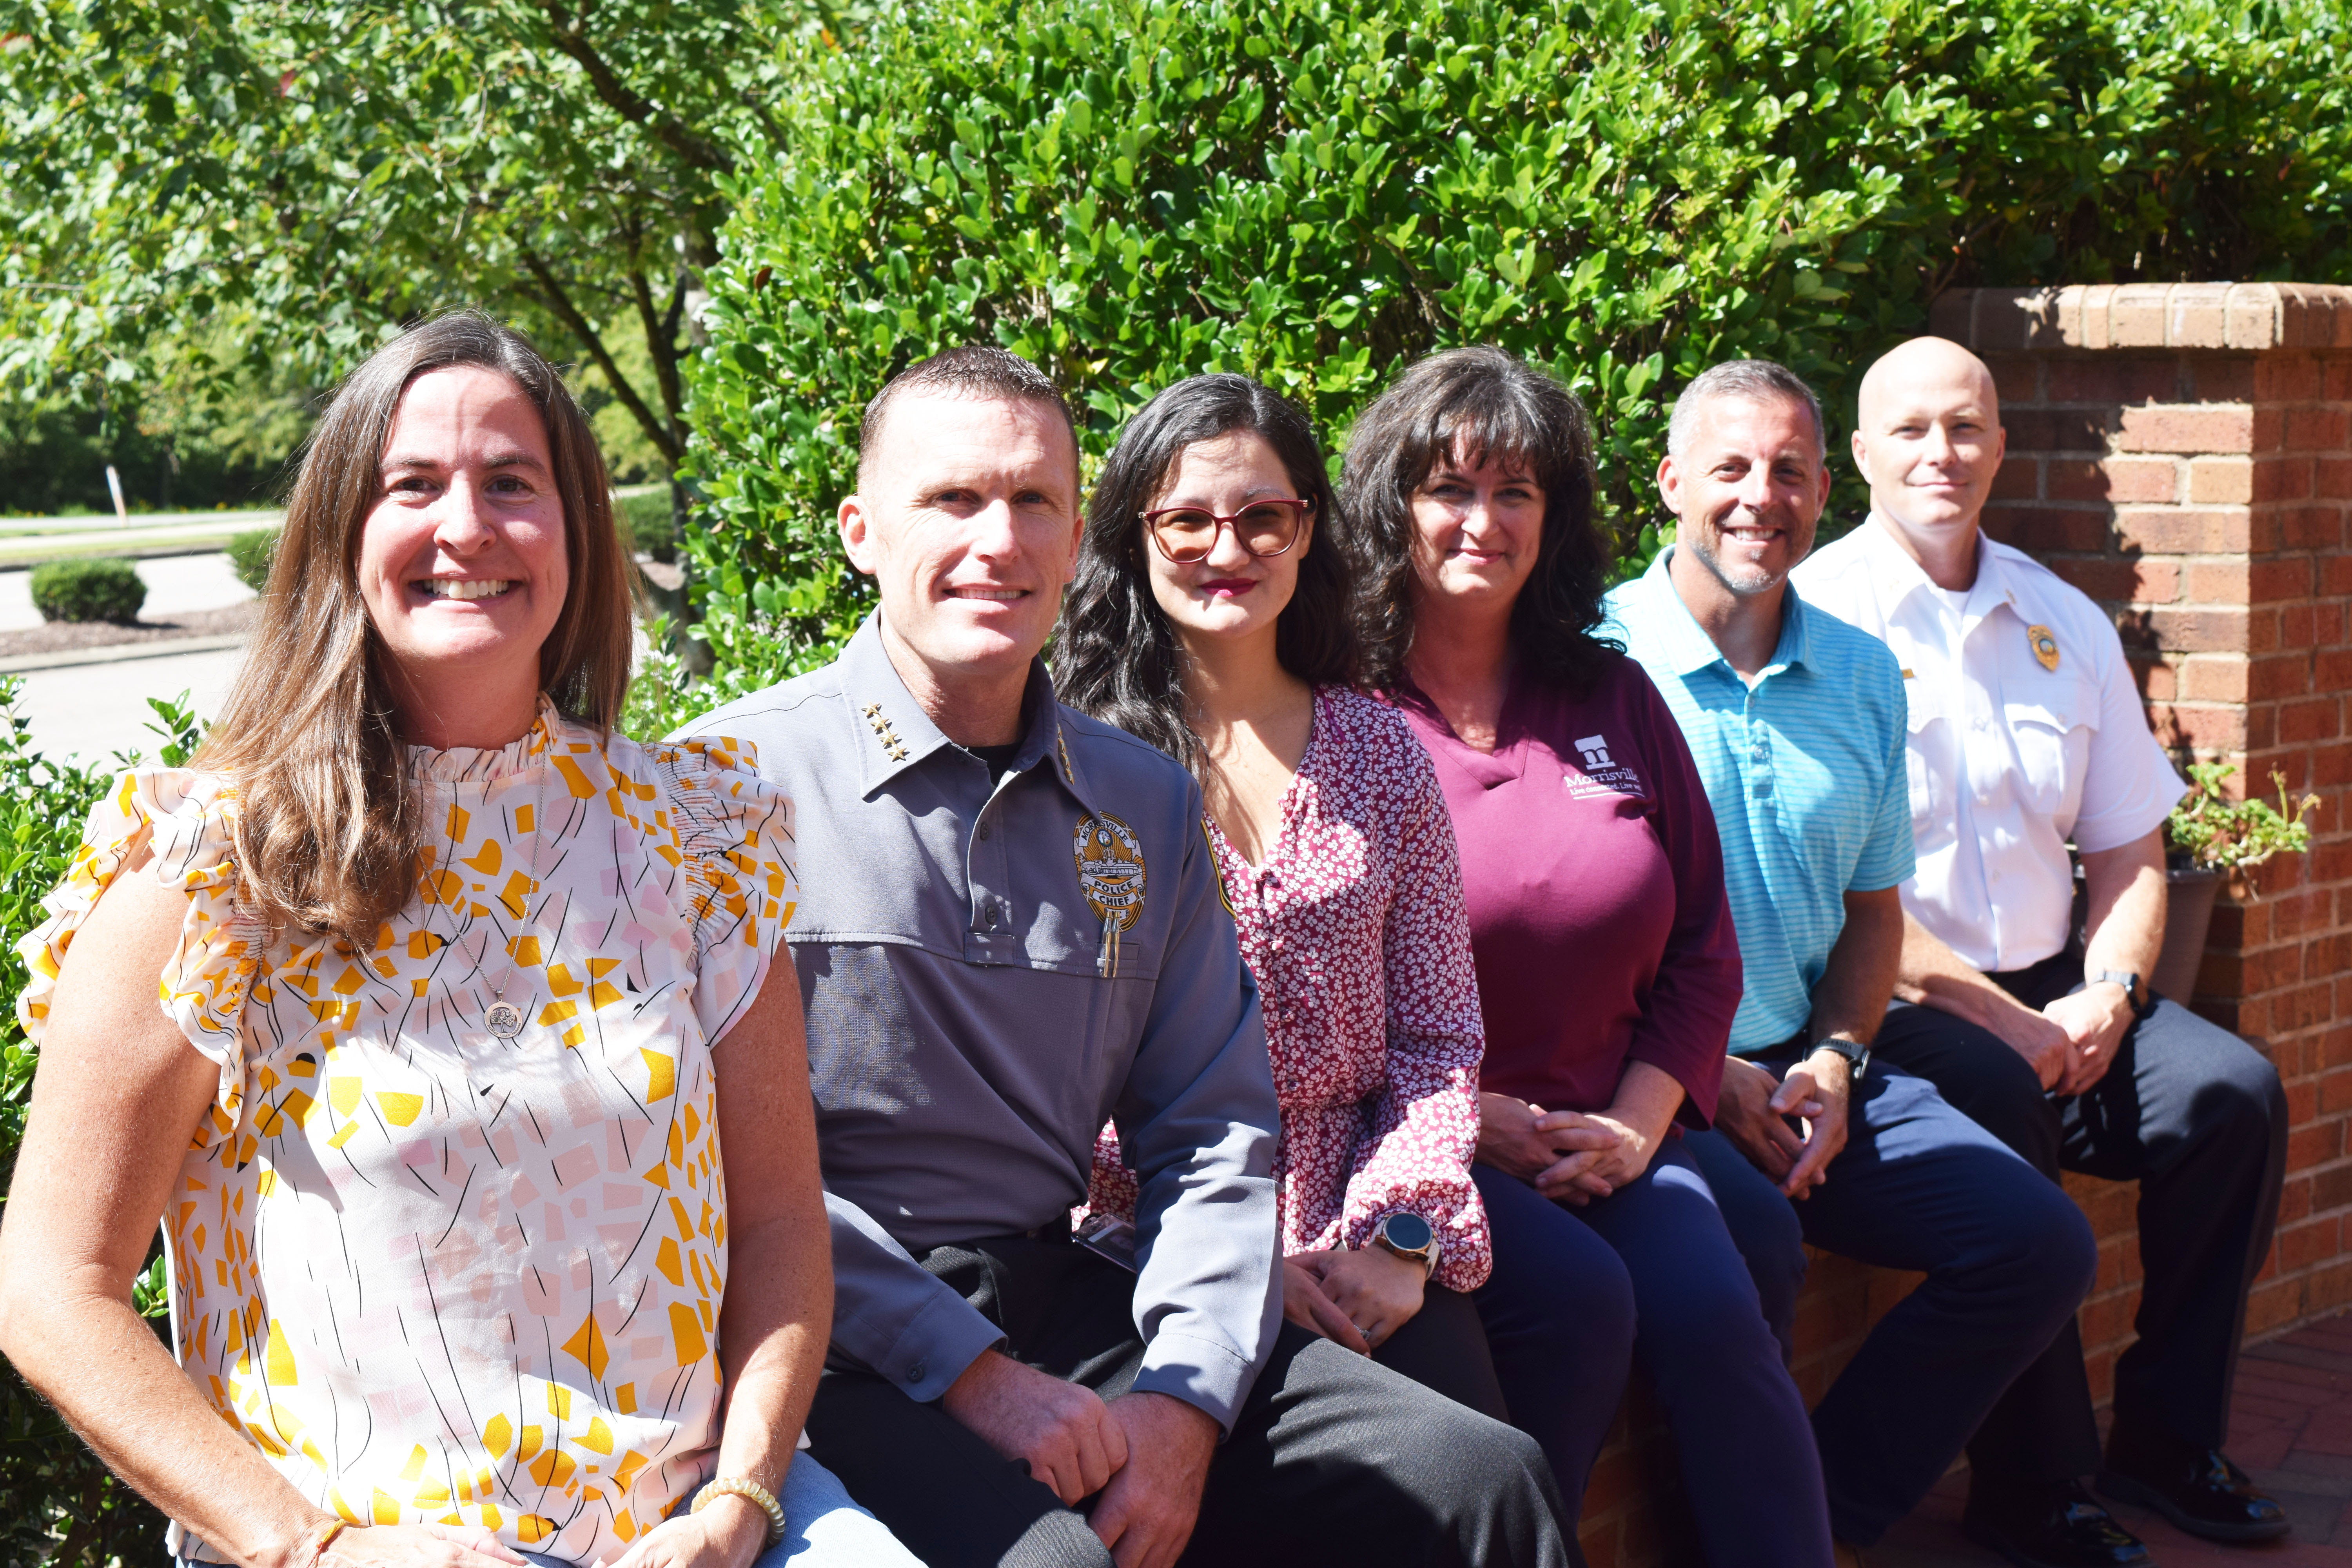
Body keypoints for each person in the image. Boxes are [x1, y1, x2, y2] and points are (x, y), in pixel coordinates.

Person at [0, 313, 916, 1568]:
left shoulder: (700, 841)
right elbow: (53, 1290)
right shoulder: (220, 873)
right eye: (412, 486)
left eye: (511, 483)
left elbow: (774, 1226)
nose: (468, 527)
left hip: (714, 1528)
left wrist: (743, 1499)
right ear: (340, 537)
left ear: (577, 531)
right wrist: (309, 1549)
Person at [677, 346, 1572, 1568]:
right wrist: (977, 1377)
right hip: (836, 1333)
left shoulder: (1140, 802)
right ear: (860, 531)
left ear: (1073, 536)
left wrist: (1185, 1401)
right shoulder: (720, 791)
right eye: (952, 500)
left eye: (1034, 500)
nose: (999, 538)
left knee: (1481, 1476)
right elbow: (710, 1177)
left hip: (1069, 1291)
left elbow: (1211, 1128)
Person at [1791, 335, 2290, 1561]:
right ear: (1860, 455)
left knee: (2235, 1098)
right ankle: (2037, 1484)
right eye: (1909, 430)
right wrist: (2008, 1023)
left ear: (2002, 447)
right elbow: (1840, 890)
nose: (1940, 454)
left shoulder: (2059, 617)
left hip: (2063, 993)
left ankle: (2168, 1444)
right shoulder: (1816, 625)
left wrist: (2113, 994)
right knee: (2006, 1101)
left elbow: (2128, 848)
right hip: (1902, 1003)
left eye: (1964, 428)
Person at [1602, 358, 2101, 1561]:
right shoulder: (1598, 660)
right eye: (1729, 468)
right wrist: (1704, 1071)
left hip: (1809, 1072)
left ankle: (1808, 1515)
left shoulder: (1865, 674)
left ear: (1826, 489)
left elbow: (1875, 915)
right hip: (1652, 1080)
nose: (1758, 496)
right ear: (1672, 481)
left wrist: (1832, 1060)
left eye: (1788, 471)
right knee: (1753, 1250)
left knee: (2038, 1248)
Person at [1339, 345, 1831, 1564]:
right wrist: (1469, 1124)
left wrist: (1637, 1127)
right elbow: (1309, 978)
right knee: (1581, 1312)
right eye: (1450, 489)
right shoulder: (1337, 711)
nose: (1483, 522)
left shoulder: (1613, 694)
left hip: (1613, 1132)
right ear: (1393, 503)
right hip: (1424, 1139)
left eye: (1518, 494)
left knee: (1722, 1305)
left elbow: (1705, 949)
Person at [1055, 371, 1551, 1438]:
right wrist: (1230, 1256)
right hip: (1150, 1240)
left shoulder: (1379, 753)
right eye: (1188, 518)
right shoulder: (1074, 767)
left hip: (1360, 1221)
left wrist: (1402, 1240)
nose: (1227, 550)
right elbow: (1056, 1075)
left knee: (1485, 1476)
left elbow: (1436, 1037)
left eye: (1263, 518)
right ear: (1134, 533)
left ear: (1308, 531)